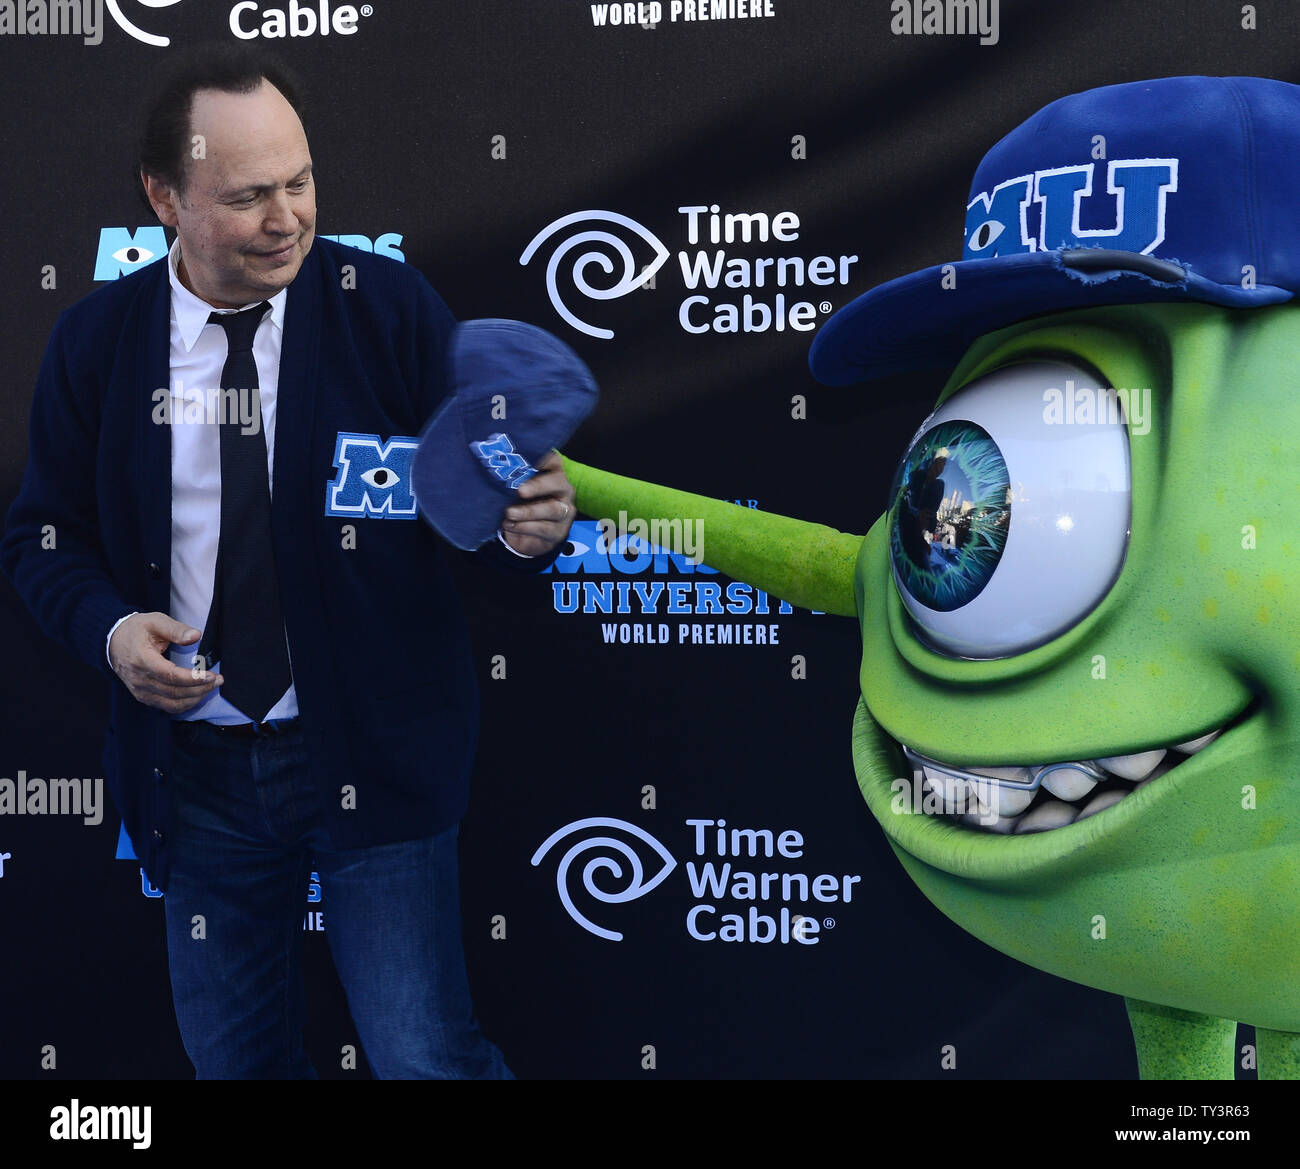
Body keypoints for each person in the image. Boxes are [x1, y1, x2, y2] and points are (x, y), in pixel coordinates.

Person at [0, 43, 575, 1079]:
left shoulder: (386, 308)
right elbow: (44, 536)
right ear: (164, 198)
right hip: (194, 778)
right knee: (236, 1064)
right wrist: (114, 631)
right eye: (249, 195)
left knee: (423, 1056)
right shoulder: (97, 342)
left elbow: (490, 501)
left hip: (372, 758)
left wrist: (525, 529)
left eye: (301, 182)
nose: (288, 219)